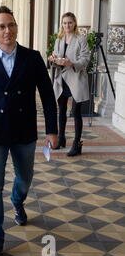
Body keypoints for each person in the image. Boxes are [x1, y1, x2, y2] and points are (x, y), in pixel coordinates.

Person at [0, 6, 58, 256]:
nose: (7, 30)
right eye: (1, 27)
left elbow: (48, 96)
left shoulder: (33, 57)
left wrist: (52, 130)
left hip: (24, 131)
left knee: (25, 177)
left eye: (11, 25)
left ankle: (17, 200)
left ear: (16, 27)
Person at [48, 12, 90, 157]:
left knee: (76, 112)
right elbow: (55, 54)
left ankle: (77, 144)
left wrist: (72, 63)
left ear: (75, 23)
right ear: (62, 24)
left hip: (76, 78)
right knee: (61, 110)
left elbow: (85, 59)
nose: (67, 25)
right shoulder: (59, 39)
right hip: (62, 78)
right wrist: (53, 58)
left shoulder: (81, 39)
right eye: (65, 23)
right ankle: (61, 139)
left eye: (70, 22)